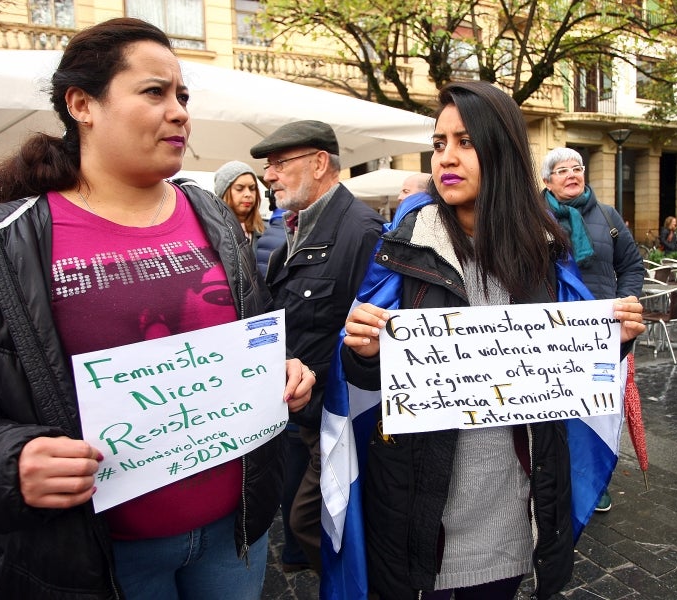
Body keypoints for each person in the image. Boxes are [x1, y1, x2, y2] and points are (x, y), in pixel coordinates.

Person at [0, 18, 314, 600]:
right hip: (92, 559)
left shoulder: (214, 217)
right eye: (155, 92)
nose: (179, 112)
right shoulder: (0, 243)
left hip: (235, 539)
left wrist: (283, 370)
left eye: (182, 96)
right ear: (82, 104)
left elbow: (254, 336)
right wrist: (8, 460)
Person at [340, 80, 645, 600]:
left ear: (501, 149)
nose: (447, 158)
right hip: (422, 499)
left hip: (510, 496)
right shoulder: (405, 243)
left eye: (466, 142)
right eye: (439, 144)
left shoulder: (545, 249)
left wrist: (609, 341)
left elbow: (568, 367)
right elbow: (366, 380)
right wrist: (366, 352)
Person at [251, 120, 386, 573]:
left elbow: (368, 336)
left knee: (312, 520)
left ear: (319, 163)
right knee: (307, 520)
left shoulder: (361, 229)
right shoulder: (295, 227)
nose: (269, 176)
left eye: (279, 164)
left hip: (337, 417)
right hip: (302, 414)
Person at [540, 146, 644, 511]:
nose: (572, 174)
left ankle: (594, 479)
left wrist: (625, 300)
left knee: (597, 406)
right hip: (551, 335)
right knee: (554, 406)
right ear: (547, 181)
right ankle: (554, 476)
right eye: (562, 170)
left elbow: (632, 265)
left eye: (577, 168)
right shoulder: (531, 218)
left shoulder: (608, 215)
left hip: (603, 333)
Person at [213, 159, 265, 243]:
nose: (248, 194)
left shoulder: (268, 232)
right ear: (224, 193)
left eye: (252, 188)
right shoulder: (210, 231)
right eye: (239, 188)